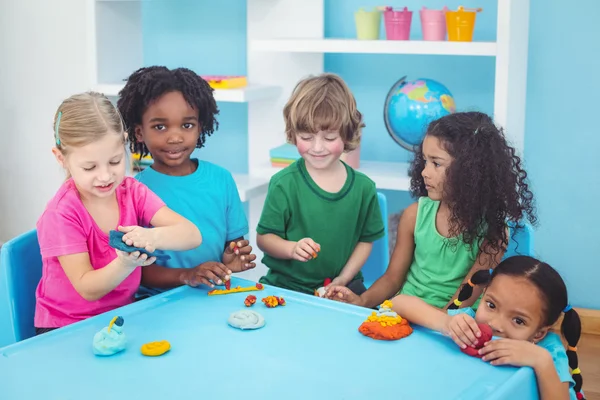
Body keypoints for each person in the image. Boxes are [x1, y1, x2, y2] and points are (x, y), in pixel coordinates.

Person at [326, 111, 536, 309]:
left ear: (470, 171)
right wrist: (361, 301)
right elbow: (392, 278)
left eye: (436, 163)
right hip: (407, 310)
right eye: (425, 161)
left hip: (456, 320)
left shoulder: (493, 232)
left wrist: (442, 323)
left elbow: (466, 295)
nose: (424, 172)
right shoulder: (414, 216)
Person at [35, 92, 202, 333]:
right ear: (61, 158)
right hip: (66, 327)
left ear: (123, 143)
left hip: (121, 317)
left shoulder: (132, 192)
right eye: (90, 167)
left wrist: (152, 237)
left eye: (114, 162)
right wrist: (125, 264)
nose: (105, 176)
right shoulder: (61, 213)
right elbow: (87, 288)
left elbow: (191, 235)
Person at [117, 66, 255, 295]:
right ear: (139, 132)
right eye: (160, 127)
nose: (175, 137)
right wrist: (187, 275)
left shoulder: (221, 180)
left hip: (211, 295)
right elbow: (135, 269)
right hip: (157, 303)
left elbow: (229, 253)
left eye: (187, 125)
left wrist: (228, 264)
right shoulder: (134, 191)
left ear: (200, 126)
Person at [256, 73, 385, 295]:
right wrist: (292, 248)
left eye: (329, 138)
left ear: (347, 134)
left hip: (344, 286)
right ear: (293, 134)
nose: (317, 147)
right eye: (306, 137)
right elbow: (264, 239)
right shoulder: (283, 184)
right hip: (287, 287)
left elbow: (366, 240)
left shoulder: (364, 188)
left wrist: (343, 279)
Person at [391, 256, 585, 400]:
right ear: (483, 295)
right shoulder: (470, 322)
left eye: (518, 320)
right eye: (491, 305)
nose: (495, 324)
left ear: (539, 333)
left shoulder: (548, 352)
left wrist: (541, 361)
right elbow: (398, 302)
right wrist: (445, 323)